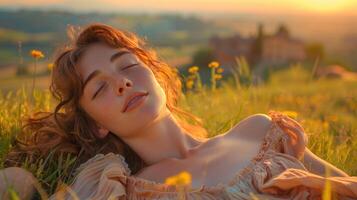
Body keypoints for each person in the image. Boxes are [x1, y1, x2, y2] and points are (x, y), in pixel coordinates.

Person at [1, 23, 356, 200]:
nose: (122, 83)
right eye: (100, 87)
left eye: (126, 65)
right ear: (96, 126)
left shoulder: (259, 131)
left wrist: (312, 182)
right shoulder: (119, 185)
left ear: (154, 72)